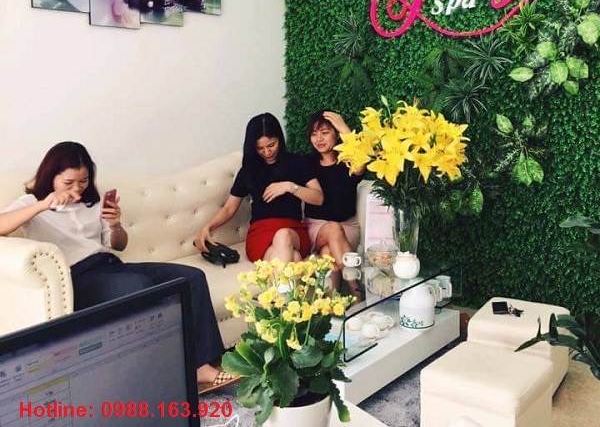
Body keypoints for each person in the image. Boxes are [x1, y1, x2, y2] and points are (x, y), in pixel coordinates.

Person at [0, 142, 236, 394]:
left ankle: (203, 366)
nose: (77, 189)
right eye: (68, 182)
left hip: (110, 266)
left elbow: (118, 245)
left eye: (83, 181)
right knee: (140, 287)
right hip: (77, 277)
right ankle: (165, 375)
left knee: (192, 277)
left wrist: (115, 225)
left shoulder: (93, 202)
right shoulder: (32, 202)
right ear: (51, 176)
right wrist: (42, 205)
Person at [194, 112, 323, 262]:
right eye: (260, 148)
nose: (267, 152)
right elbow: (229, 208)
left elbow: (318, 198)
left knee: (283, 235)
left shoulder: (297, 162)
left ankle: (280, 275)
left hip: (293, 231)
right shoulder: (248, 171)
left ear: (279, 139)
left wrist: (290, 187)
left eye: (271, 145)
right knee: (293, 257)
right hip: (261, 233)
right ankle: (289, 272)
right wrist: (207, 227)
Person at [303, 110, 365, 268]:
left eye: (325, 133)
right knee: (333, 229)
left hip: (347, 227)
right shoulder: (307, 163)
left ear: (337, 135)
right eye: (314, 134)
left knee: (328, 253)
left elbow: (360, 166)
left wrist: (344, 128)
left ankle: (342, 285)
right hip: (316, 227)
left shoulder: (347, 161)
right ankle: (355, 282)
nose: (319, 139)